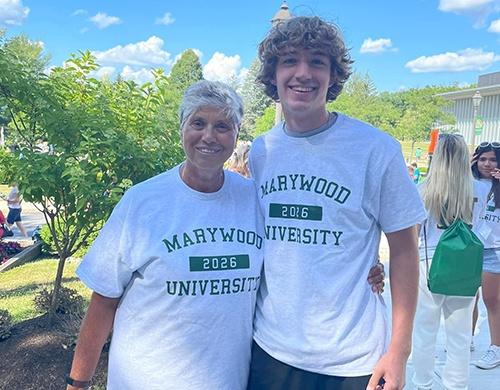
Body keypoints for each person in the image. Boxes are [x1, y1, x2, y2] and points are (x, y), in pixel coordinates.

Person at [247, 16, 425, 390]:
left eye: (317, 61)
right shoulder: (262, 151)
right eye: (290, 60)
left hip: (352, 358)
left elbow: (406, 251)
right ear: (273, 74)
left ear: (333, 76)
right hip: (270, 350)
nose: (303, 73)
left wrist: (399, 350)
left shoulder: (376, 150)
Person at [66, 80, 265, 390]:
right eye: (198, 123)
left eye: (223, 126)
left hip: (226, 381)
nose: (209, 136)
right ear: (181, 127)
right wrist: (78, 383)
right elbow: (104, 300)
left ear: (237, 133)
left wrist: (369, 270)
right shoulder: (142, 201)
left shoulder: (253, 199)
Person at [412, 134, 489, 390]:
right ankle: (457, 384)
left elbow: (414, 233)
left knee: (424, 329)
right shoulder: (480, 189)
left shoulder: (424, 189)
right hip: (465, 260)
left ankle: (422, 383)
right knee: (460, 331)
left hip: (430, 260)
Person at [470, 141, 500, 370]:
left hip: (494, 249)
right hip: (470, 247)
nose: (487, 164)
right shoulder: (469, 183)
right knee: (468, 297)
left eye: (492, 159)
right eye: (482, 159)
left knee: (492, 299)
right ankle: (466, 339)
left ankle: (495, 348)